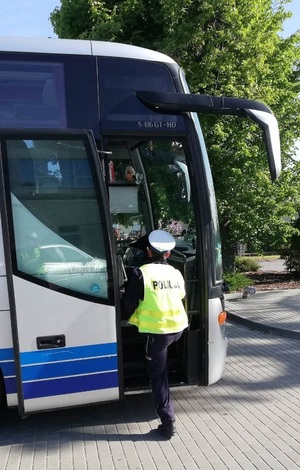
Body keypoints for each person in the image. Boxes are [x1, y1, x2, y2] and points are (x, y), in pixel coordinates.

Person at [122, 230, 188, 439]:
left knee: (158, 376)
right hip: (178, 329)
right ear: (168, 254)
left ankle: (168, 423)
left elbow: (128, 304)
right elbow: (179, 296)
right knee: (161, 368)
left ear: (149, 252)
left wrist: (126, 316)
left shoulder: (140, 273)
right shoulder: (176, 273)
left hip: (158, 334)